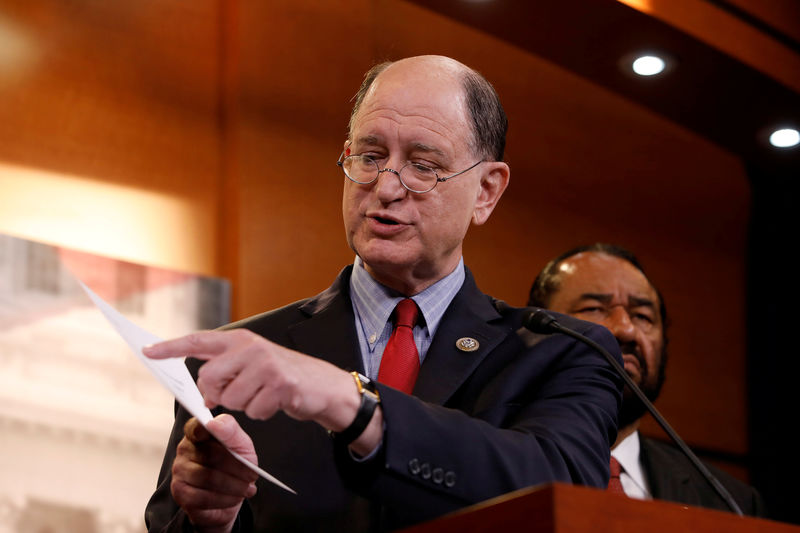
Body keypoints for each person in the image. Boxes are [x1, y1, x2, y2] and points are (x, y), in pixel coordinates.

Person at [143, 56, 623, 533]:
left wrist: (354, 405)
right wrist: (211, 522)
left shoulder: (563, 353)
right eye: (370, 157)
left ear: (486, 191)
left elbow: (561, 495)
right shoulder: (237, 360)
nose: (386, 187)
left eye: (422, 165)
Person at [528, 243, 766, 515]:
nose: (626, 329)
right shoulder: (487, 463)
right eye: (594, 308)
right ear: (536, 333)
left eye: (642, 316)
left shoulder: (732, 503)